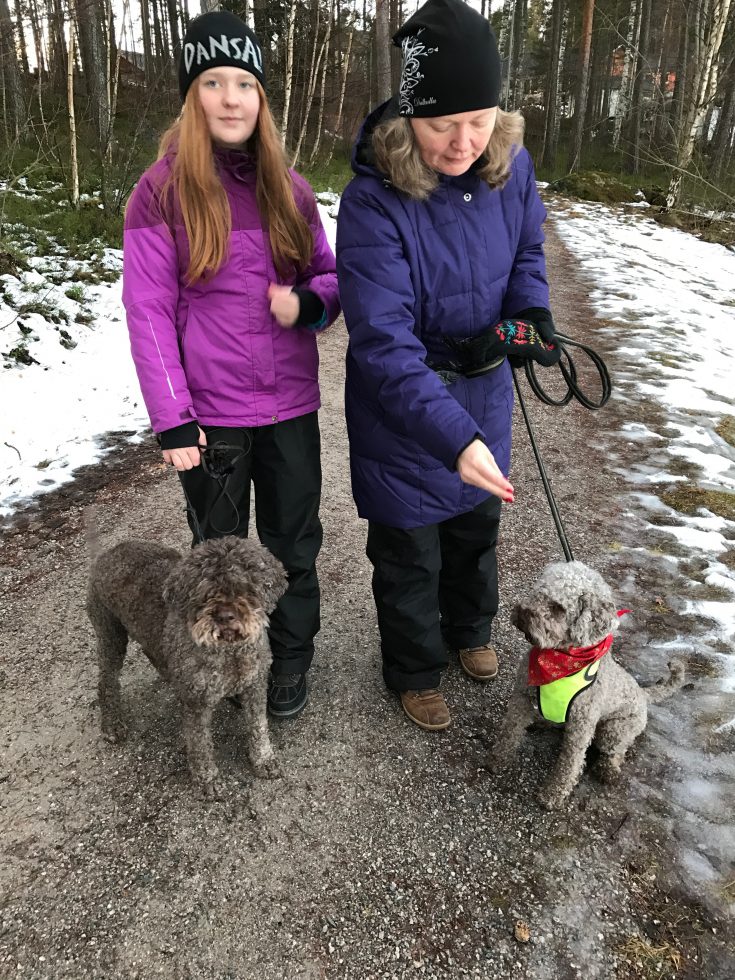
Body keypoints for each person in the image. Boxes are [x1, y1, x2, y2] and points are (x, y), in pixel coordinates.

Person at [336, 0, 555, 731]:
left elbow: (526, 250)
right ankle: (413, 668)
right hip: (404, 406)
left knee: (473, 530)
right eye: (441, 126)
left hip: (485, 386)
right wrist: (450, 435)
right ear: (408, 115)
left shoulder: (510, 165)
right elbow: (381, 343)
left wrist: (528, 317)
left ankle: (469, 633)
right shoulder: (373, 201)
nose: (463, 141)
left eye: (478, 120)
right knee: (408, 550)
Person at [122, 11, 340, 719]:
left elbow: (330, 280)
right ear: (192, 97)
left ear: (260, 97)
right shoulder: (159, 193)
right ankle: (218, 663)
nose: (229, 97)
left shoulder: (291, 189)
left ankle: (288, 662)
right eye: (212, 81)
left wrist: (304, 305)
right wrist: (173, 423)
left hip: (290, 410)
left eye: (244, 82)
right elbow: (148, 311)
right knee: (216, 559)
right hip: (210, 421)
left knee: (293, 546)